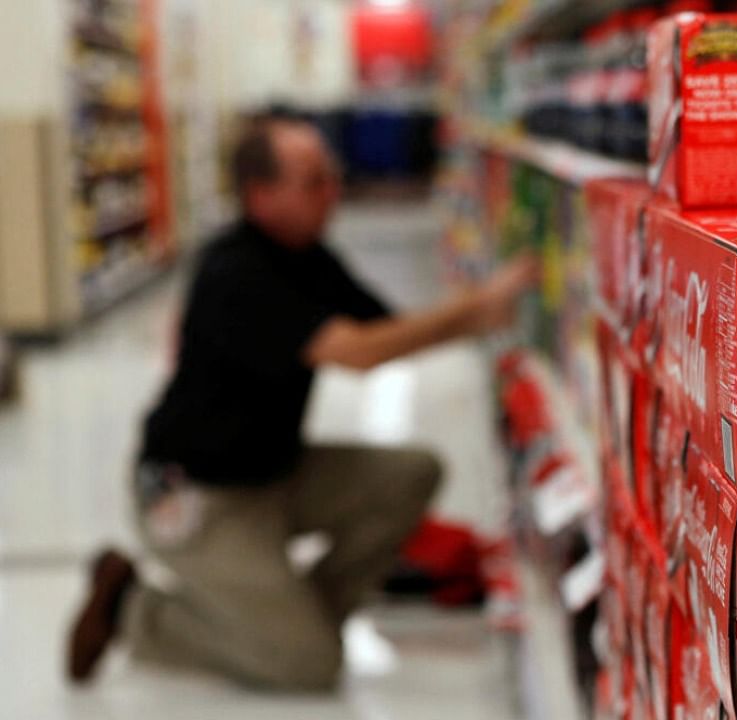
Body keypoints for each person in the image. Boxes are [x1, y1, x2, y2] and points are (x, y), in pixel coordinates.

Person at [66, 115, 535, 691]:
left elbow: (387, 331)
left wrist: (471, 312)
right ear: (261, 196)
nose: (333, 192)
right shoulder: (236, 272)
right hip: (196, 496)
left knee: (412, 473)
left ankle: (289, 620)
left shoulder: (309, 256)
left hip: (273, 475)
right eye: (314, 181)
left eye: (331, 176)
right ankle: (134, 610)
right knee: (308, 667)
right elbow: (358, 353)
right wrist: (476, 312)